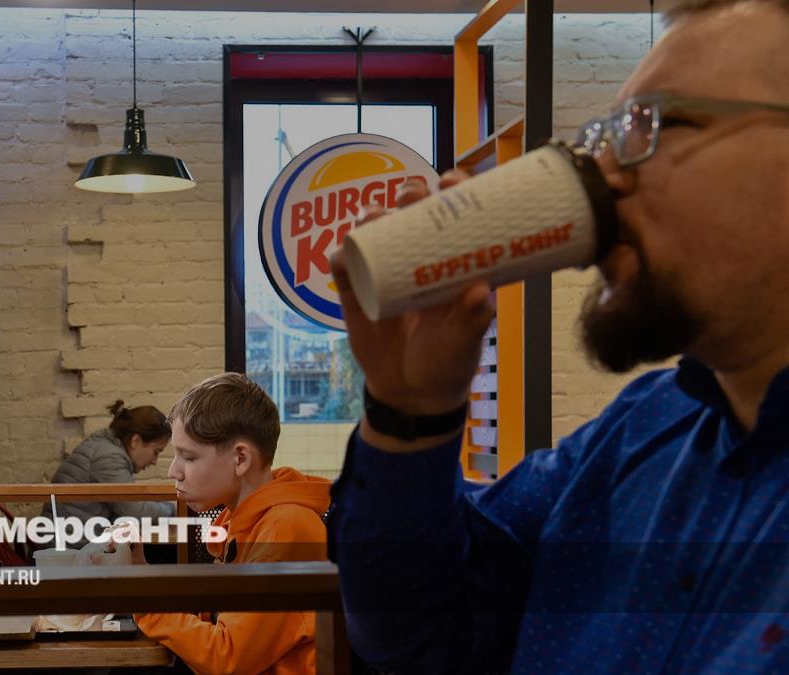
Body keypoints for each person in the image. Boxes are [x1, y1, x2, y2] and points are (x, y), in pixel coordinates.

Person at [327, 0, 789, 672]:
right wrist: (411, 410)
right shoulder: (639, 431)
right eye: (609, 135)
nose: (605, 173)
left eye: (661, 124)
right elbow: (415, 638)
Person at [100, 373, 330, 675]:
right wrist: (141, 574)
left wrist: (140, 598)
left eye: (188, 457)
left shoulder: (284, 528)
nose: (173, 471)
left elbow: (226, 657)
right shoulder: (244, 520)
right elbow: (218, 623)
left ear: (240, 459)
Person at [39, 400, 174, 547]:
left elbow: (131, 504)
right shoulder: (109, 457)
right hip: (65, 549)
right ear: (135, 441)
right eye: (156, 452)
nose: (154, 461)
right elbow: (133, 510)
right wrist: (172, 510)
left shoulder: (103, 446)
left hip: (66, 543)